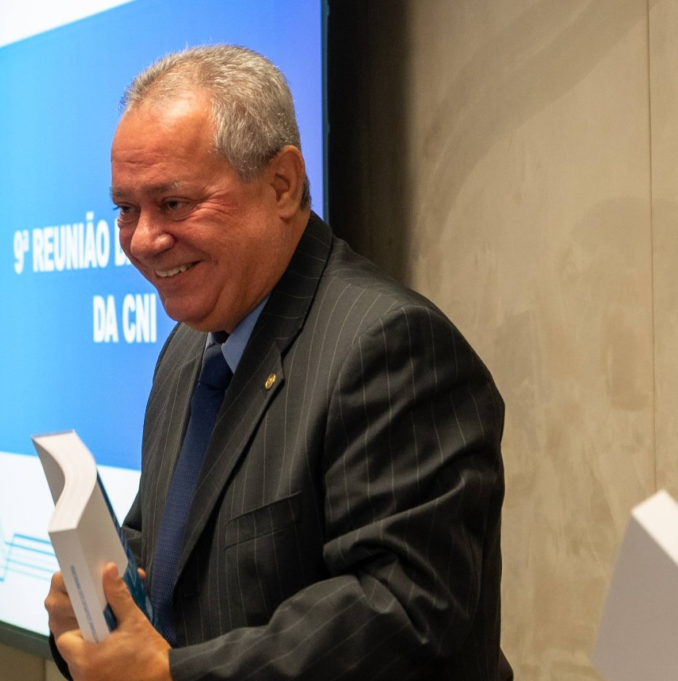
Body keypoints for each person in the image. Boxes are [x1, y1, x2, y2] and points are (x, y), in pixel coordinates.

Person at [46, 45, 512, 681]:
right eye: (126, 209)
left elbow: (404, 610)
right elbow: (164, 550)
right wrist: (94, 608)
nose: (144, 239)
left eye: (174, 204)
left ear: (282, 184)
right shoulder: (188, 347)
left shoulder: (391, 345)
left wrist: (172, 676)